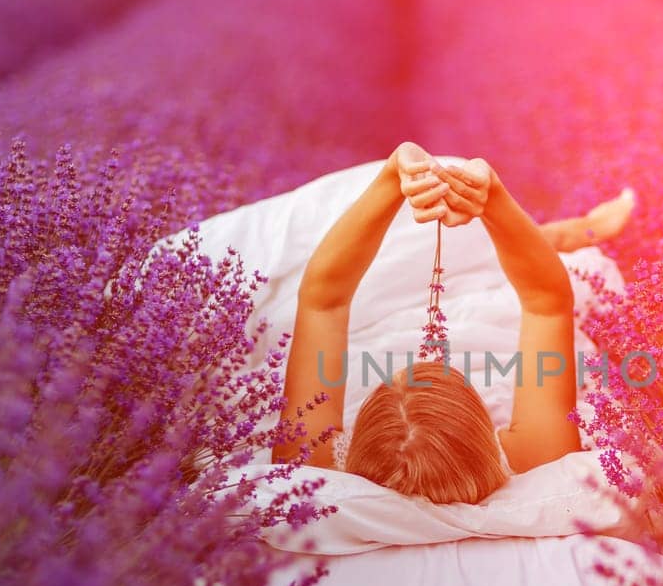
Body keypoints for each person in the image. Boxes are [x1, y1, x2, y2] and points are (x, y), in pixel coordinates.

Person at [271, 141, 634, 504]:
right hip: (493, 322)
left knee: (422, 256)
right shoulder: (533, 455)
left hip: (390, 308)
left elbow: (324, 301)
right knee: (478, 258)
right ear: (485, 432)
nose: (429, 360)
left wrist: (392, 176)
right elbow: (546, 302)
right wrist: (492, 197)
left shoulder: (309, 462)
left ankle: (557, 235)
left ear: (358, 443)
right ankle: (575, 233)